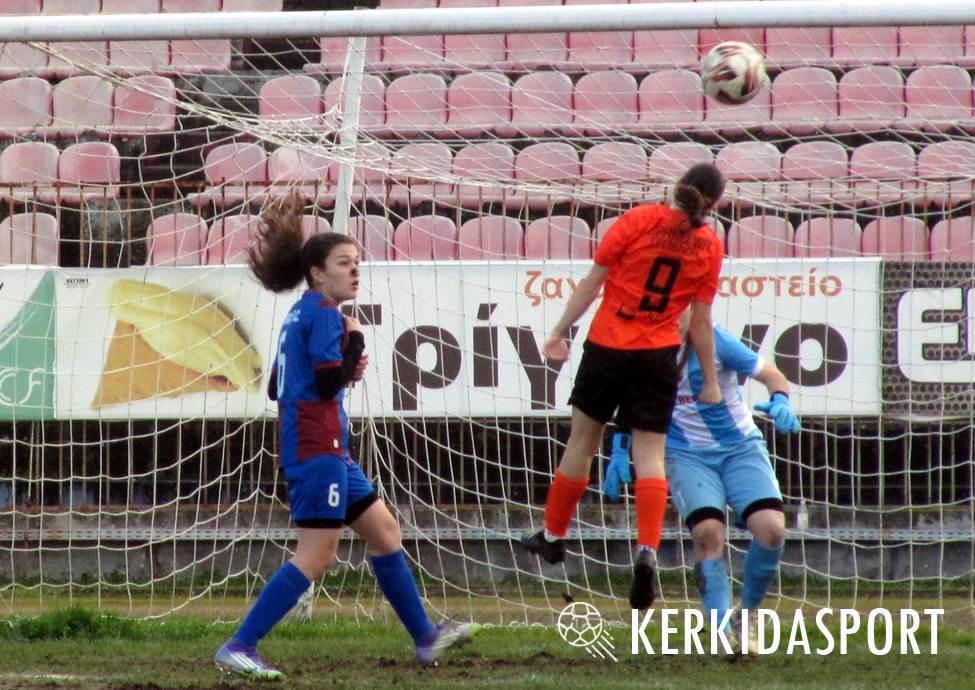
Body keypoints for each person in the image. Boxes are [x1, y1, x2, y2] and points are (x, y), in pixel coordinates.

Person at [214, 198, 478, 680]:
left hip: (328, 449)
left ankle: (425, 637)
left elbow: (277, 387)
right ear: (317, 274)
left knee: (385, 532)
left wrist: (343, 361)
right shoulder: (325, 315)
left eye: (357, 262)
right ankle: (240, 644)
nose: (354, 271)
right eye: (343, 263)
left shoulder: (300, 312)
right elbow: (324, 385)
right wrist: (354, 342)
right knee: (317, 554)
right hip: (316, 447)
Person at [520, 163, 727, 611]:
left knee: (582, 443)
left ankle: (553, 535)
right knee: (650, 456)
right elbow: (701, 321)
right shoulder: (710, 245)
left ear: (676, 187)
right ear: (714, 205)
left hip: (608, 346)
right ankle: (647, 550)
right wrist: (710, 381)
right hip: (657, 356)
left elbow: (591, 285)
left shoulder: (638, 220)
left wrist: (558, 331)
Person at [603, 311, 799, 650]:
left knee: (772, 530)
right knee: (708, 533)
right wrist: (619, 449)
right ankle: (723, 632)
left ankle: (746, 615)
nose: (673, 318)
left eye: (681, 310)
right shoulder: (646, 348)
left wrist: (780, 400)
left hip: (740, 448)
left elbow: (772, 374)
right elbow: (630, 402)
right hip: (686, 455)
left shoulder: (716, 340)